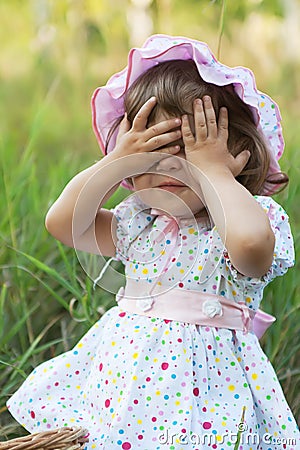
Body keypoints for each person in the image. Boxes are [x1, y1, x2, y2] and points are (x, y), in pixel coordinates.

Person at [7, 34, 299, 449]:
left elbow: (252, 250)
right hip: (123, 382)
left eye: (189, 150)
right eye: (152, 151)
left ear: (238, 153)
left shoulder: (249, 219)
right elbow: (63, 223)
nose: (169, 166)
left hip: (209, 393)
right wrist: (114, 163)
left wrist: (214, 176)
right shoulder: (139, 221)